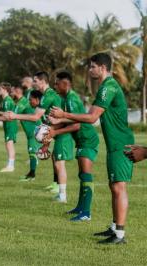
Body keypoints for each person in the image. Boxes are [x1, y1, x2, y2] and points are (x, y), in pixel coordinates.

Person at [50, 53, 134, 244]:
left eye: (92, 66)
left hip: (121, 144)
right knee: (114, 186)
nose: (90, 70)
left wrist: (63, 114)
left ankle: (119, 235)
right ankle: (115, 228)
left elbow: (92, 117)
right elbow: (89, 115)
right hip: (115, 144)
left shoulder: (108, 87)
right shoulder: (106, 87)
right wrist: (62, 119)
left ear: (102, 68)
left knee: (119, 187)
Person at [0, 72, 74, 200]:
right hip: (56, 130)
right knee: (55, 159)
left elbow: (36, 117)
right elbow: (46, 118)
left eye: (35, 80)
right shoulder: (46, 95)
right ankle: (56, 185)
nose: (33, 83)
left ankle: (62, 194)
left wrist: (15, 116)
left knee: (59, 162)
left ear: (42, 81)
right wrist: (46, 142)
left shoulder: (48, 95)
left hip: (62, 131)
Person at [48, 71, 99, 221]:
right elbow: (68, 120)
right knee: (81, 175)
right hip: (81, 140)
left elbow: (77, 125)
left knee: (85, 174)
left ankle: (86, 213)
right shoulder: (64, 99)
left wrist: (56, 132)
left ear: (66, 84)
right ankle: (80, 207)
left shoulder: (72, 99)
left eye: (57, 83)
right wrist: (54, 127)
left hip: (87, 139)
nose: (55, 86)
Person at [9, 86, 41, 180]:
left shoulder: (22, 103)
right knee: (32, 152)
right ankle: (31, 173)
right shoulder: (22, 102)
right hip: (32, 132)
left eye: (11, 92)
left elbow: (11, 116)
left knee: (32, 152)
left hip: (34, 132)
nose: (10, 94)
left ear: (17, 91)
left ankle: (32, 175)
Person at [0, 82, 18, 172]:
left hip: (10, 125)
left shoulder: (7, 101)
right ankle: (10, 165)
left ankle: (10, 166)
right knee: (8, 144)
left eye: (0, 89)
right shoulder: (5, 100)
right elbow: (4, 113)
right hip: (8, 125)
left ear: (5, 90)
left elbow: (7, 116)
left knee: (9, 145)